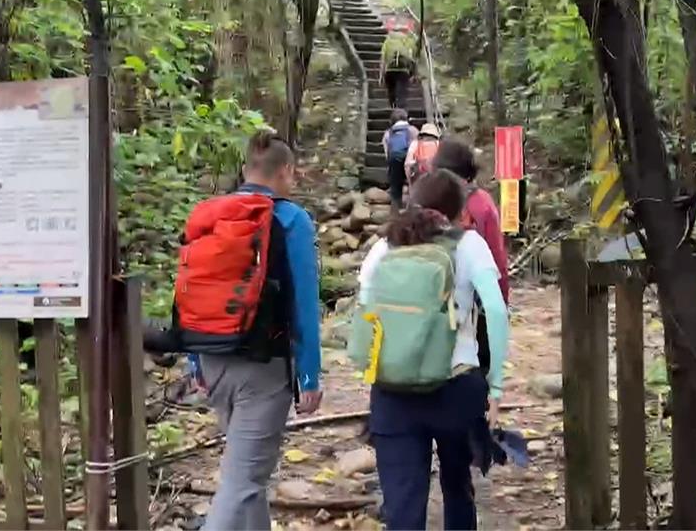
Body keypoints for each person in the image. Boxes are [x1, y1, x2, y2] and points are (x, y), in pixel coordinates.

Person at [175, 131, 322, 530]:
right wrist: (309, 374)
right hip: (265, 367)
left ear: (245, 169)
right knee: (242, 482)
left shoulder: (210, 214)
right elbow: (305, 303)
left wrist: (194, 363)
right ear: (286, 171)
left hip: (211, 356)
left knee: (249, 478)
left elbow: (191, 290)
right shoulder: (291, 219)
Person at [356, 169, 510, 530]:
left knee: (403, 503)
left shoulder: (384, 246)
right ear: (459, 211)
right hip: (456, 386)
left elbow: (365, 311)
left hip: (393, 391)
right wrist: (496, 385)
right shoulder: (469, 245)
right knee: (458, 485)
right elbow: (498, 311)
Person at [433, 138, 510, 375]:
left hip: (431, 299)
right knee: (477, 366)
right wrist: (501, 302)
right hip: (475, 300)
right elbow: (497, 258)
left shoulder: (427, 197)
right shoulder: (482, 203)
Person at [382, 109, 418, 212]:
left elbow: (387, 153)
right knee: (414, 188)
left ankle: (395, 214)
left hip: (394, 162)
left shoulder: (388, 133)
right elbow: (417, 148)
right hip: (410, 163)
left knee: (395, 191)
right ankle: (413, 213)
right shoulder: (413, 130)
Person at [379, 24, 417, 109]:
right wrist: (413, 74)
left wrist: (381, 76)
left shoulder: (388, 40)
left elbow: (383, 59)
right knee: (402, 94)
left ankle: (393, 110)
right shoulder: (409, 41)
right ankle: (401, 113)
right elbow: (413, 58)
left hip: (389, 71)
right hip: (403, 71)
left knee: (391, 93)